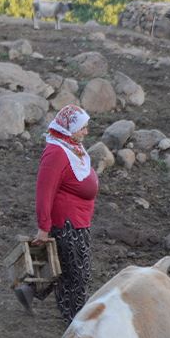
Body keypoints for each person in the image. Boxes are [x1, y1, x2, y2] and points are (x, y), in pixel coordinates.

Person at [16, 104, 98, 323]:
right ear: (69, 128)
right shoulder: (56, 153)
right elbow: (44, 192)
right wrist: (43, 227)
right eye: (82, 128)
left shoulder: (71, 146)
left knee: (66, 268)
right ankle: (75, 321)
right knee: (77, 276)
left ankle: (31, 289)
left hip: (78, 222)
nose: (86, 132)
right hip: (68, 224)